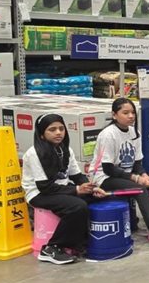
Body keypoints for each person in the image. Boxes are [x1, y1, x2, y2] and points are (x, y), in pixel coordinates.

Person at [89, 98, 149, 247]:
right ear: (114, 115)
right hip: (103, 178)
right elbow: (108, 168)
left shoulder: (134, 131)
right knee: (139, 189)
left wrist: (144, 176)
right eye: (125, 113)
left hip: (125, 176)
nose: (131, 116)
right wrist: (137, 179)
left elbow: (137, 163)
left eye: (132, 113)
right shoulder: (108, 134)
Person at [21, 113, 107, 265]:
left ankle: (81, 243)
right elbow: (45, 187)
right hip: (38, 193)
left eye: (61, 129)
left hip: (60, 188)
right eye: (52, 130)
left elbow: (76, 175)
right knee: (76, 206)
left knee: (94, 198)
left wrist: (91, 187)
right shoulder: (34, 154)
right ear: (41, 134)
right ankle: (52, 248)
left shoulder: (65, 149)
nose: (58, 132)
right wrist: (76, 190)